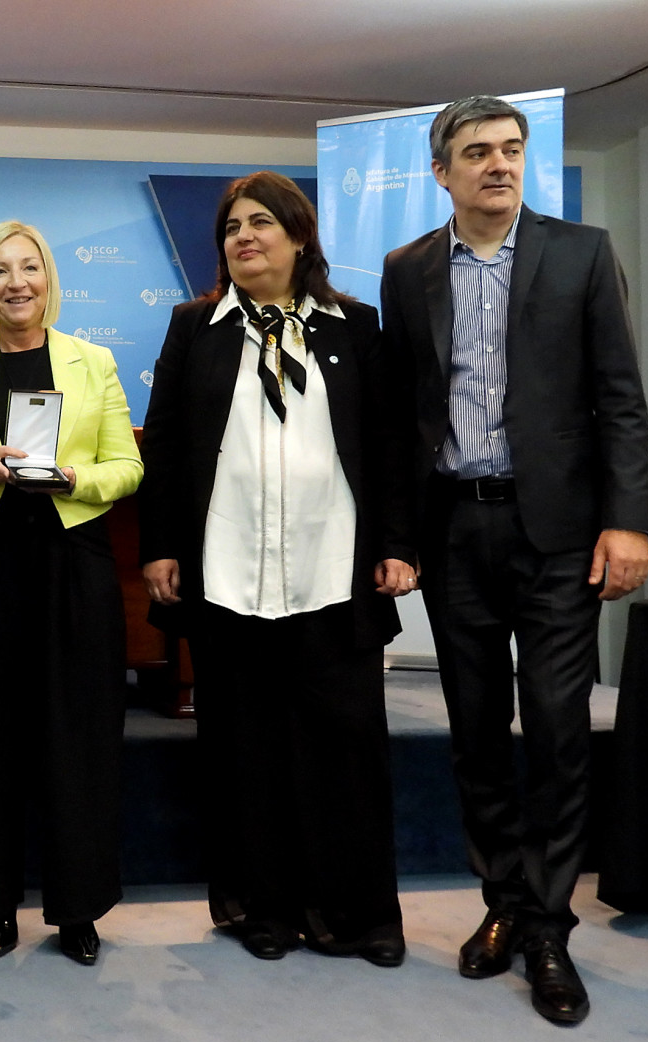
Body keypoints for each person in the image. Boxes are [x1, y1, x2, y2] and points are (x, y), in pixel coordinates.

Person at [380, 95, 648, 1025]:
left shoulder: (580, 251)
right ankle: (500, 898)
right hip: (456, 528)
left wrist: (629, 523)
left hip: (560, 539)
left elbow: (619, 395)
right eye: (476, 152)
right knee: (474, 730)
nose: (497, 164)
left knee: (556, 726)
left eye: (509, 149)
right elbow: (404, 413)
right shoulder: (406, 269)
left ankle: (547, 927)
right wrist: (399, 537)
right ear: (441, 172)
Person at [138, 171, 416, 968]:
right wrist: (160, 546)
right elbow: (163, 445)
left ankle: (357, 917)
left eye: (261, 223)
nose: (243, 237)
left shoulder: (355, 328)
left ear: (299, 237)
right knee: (244, 753)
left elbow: (391, 445)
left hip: (333, 577)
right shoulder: (196, 327)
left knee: (347, 750)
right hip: (228, 577)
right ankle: (261, 911)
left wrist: (398, 543)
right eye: (231, 228)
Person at [0, 221, 142, 965]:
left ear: (49, 279)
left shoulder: (94, 363)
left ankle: (77, 909)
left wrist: (78, 479)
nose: (15, 283)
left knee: (76, 738)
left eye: (28, 268)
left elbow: (126, 467)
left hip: (73, 563)